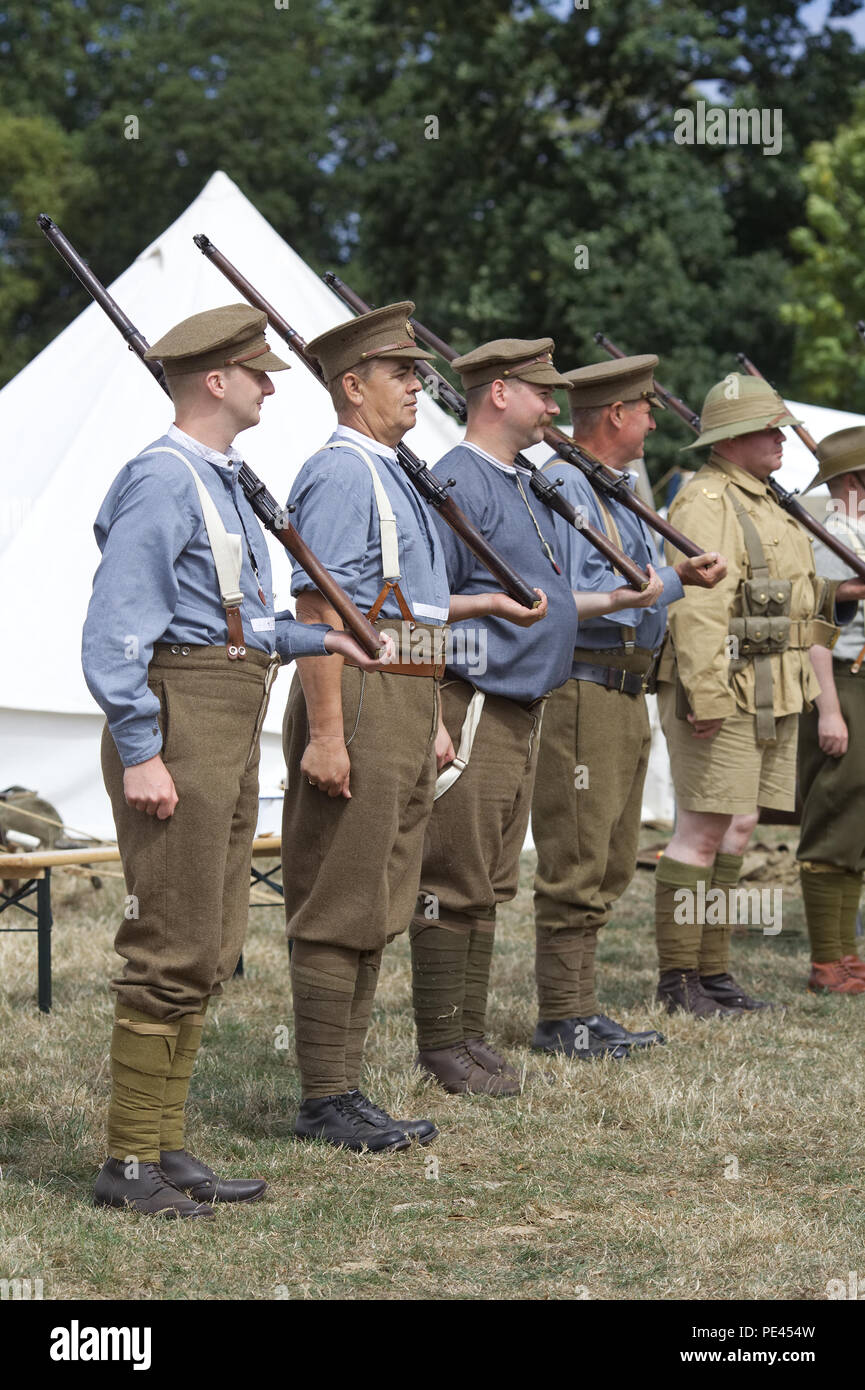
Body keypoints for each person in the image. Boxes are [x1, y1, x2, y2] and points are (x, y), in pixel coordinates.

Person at [83, 304, 383, 1218]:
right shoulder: (164, 478)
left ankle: (166, 1149)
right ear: (215, 381)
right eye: (257, 373)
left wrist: (313, 635)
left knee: (208, 945)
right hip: (179, 719)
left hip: (224, 708)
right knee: (168, 943)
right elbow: (116, 629)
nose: (269, 385)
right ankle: (129, 1162)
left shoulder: (218, 480)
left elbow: (229, 617)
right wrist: (141, 749)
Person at [281, 305, 547, 1150]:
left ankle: (344, 1088)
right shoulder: (339, 471)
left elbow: (413, 608)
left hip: (401, 692)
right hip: (355, 696)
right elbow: (320, 608)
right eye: (401, 374)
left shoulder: (391, 472)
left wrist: (431, 710)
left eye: (419, 374)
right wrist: (327, 734)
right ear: (351, 385)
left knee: (379, 899)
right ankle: (326, 1096)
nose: (418, 386)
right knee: (341, 897)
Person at [410, 339, 665, 1093]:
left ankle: (470, 1034)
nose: (555, 406)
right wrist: (433, 706)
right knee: (451, 876)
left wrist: (615, 601)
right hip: (477, 697)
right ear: (496, 393)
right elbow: (426, 601)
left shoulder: (521, 481)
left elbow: (545, 599)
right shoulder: (460, 478)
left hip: (522, 701)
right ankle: (441, 1042)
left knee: (489, 881)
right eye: (539, 392)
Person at [530, 356, 727, 1059]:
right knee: (578, 855)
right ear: (615, 413)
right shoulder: (561, 486)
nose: (654, 418)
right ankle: (562, 1016)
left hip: (621, 687)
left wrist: (673, 581)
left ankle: (578, 1007)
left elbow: (631, 587)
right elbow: (586, 589)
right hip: (583, 684)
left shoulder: (613, 490)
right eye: (646, 406)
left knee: (610, 858)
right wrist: (669, 580)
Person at [653, 374, 865, 1016]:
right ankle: (679, 980)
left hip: (774, 688)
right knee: (699, 832)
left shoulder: (770, 502)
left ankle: (712, 970)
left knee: (739, 830)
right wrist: (708, 695)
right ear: (735, 437)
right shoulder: (707, 500)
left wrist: (841, 595)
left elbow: (797, 600)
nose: (782, 439)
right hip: (729, 691)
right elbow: (699, 611)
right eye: (770, 429)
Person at [796, 428, 865, 993]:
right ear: (851, 480)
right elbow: (814, 633)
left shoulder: (856, 533)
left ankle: (847, 955)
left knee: (857, 823)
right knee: (834, 816)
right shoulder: (830, 536)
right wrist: (829, 710)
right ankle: (827, 960)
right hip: (844, 681)